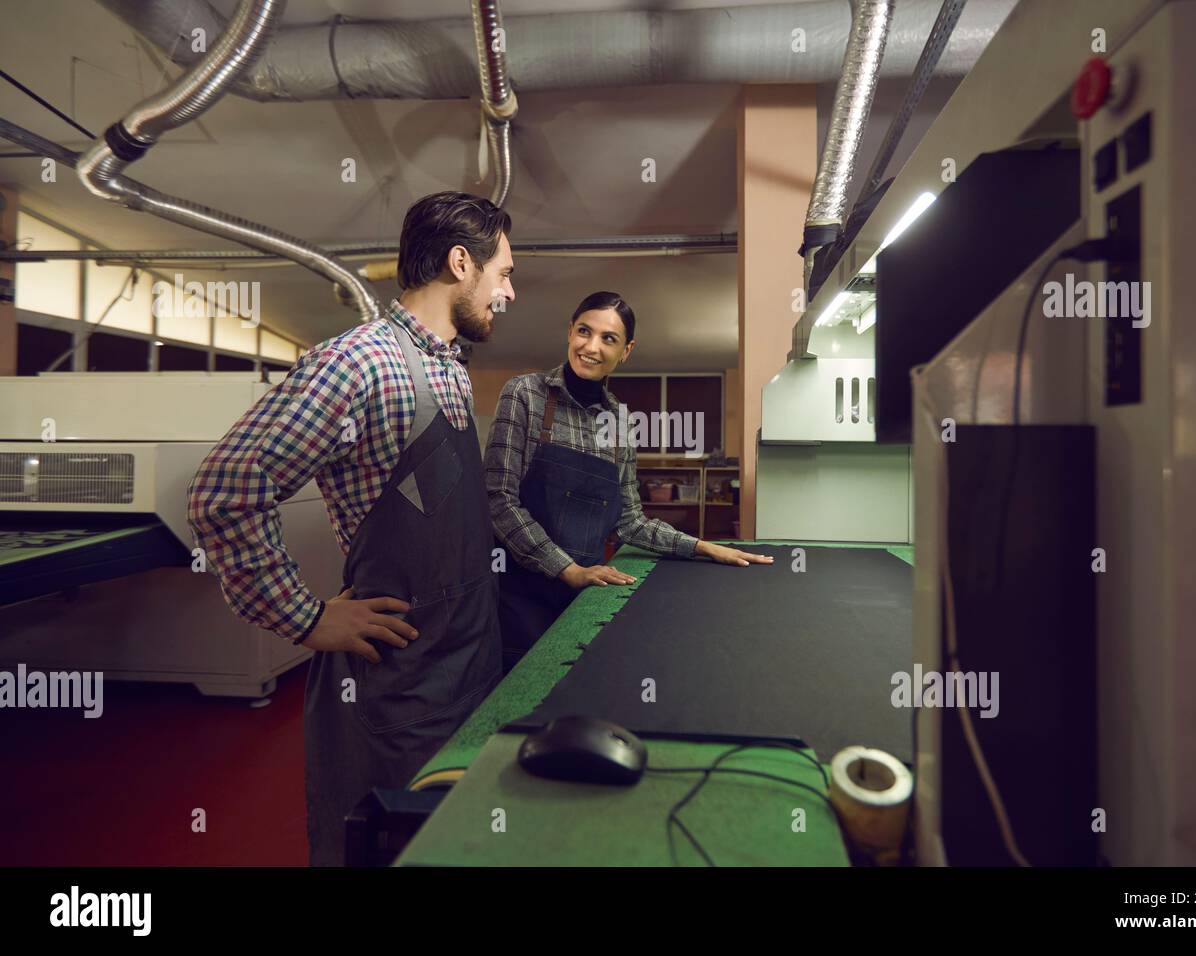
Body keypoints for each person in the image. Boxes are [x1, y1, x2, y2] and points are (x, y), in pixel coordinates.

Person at [187, 191, 515, 866]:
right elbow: (227, 489)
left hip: (467, 661)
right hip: (398, 685)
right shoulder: (359, 363)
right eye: (503, 273)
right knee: (387, 846)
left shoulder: (449, 372)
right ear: (461, 263)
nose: (509, 292)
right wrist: (305, 619)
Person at [485, 291, 772, 672]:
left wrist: (703, 547)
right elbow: (498, 500)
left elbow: (629, 521)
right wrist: (566, 569)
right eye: (584, 331)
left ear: (626, 350)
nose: (591, 347)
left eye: (609, 339)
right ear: (570, 332)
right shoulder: (525, 394)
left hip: (584, 596)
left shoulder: (619, 421)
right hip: (518, 597)